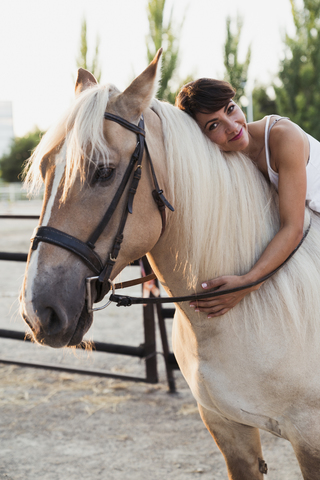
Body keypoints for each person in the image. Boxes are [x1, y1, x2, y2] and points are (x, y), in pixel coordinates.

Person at [175, 78, 320, 318]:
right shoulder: (227, 159)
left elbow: (293, 228)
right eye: (214, 125)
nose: (232, 126)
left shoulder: (284, 138)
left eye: (230, 109)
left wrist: (248, 282)